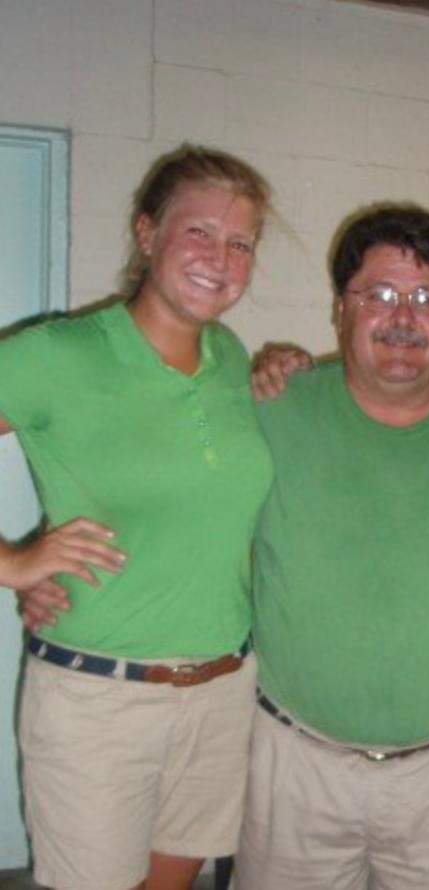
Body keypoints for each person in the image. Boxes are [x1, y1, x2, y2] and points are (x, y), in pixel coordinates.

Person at [234, 204, 429, 890]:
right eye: (377, 295)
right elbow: (186, 526)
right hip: (297, 768)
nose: (403, 318)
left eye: (426, 299)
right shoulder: (274, 410)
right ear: (339, 310)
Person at [0, 144, 275, 890]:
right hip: (99, 704)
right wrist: (15, 563)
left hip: (221, 690)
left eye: (241, 243)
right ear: (147, 233)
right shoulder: (58, 354)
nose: (220, 259)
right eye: (199, 233)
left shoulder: (229, 358)